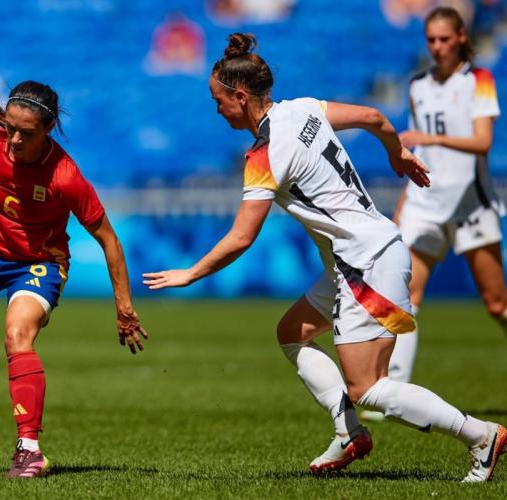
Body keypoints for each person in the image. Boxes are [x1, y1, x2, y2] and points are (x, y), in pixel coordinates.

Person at [143, 33, 506, 482]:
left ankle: (480, 436)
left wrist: (191, 274)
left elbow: (241, 237)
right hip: (358, 257)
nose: (217, 110)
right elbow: (374, 117)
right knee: (291, 333)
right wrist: (397, 153)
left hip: (364, 264)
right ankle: (348, 433)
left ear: (240, 97)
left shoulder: (264, 153)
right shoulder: (303, 108)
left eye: (218, 101)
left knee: (367, 387)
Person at [0, 80, 148, 479]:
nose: (14, 140)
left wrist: (124, 308)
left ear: (48, 129)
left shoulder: (65, 177)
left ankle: (29, 451)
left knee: (17, 336)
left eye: (26, 133)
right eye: (10, 127)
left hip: (40, 264)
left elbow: (109, 240)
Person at [368, 7, 506, 421]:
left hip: (469, 203)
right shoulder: (418, 86)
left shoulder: (478, 81)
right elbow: (418, 154)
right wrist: (404, 201)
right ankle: (393, 392)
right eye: (431, 39)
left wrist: (430, 137)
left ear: (462, 37)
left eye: (445, 39)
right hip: (425, 204)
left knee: (496, 304)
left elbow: (482, 142)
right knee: (405, 296)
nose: (437, 46)